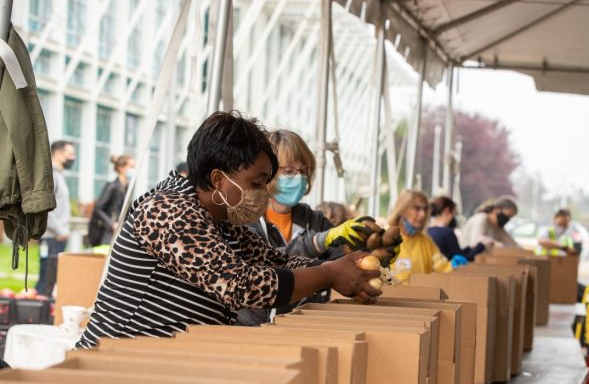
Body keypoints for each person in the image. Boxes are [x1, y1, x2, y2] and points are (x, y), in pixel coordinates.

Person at [76, 111, 380, 349]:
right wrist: (328, 275)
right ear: (219, 179)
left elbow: (275, 262)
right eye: (257, 182)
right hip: (116, 366)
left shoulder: (222, 224)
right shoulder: (168, 211)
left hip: (163, 369)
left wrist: (337, 266)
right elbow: (240, 285)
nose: (264, 192)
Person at [238, 129, 376, 325]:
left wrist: (374, 256)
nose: (298, 177)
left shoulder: (315, 220)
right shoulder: (247, 219)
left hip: (305, 326)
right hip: (253, 329)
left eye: (303, 171)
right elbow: (269, 262)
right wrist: (317, 242)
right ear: (267, 173)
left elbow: (343, 264)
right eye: (288, 171)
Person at [37, 140, 76, 296]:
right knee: (46, 280)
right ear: (58, 154)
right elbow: (46, 208)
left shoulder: (59, 175)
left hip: (57, 237)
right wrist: (60, 230)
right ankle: (37, 313)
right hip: (52, 237)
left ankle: (43, 311)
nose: (73, 158)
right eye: (70, 154)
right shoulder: (51, 175)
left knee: (50, 280)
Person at [390, 190, 453, 284]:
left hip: (421, 297)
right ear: (402, 210)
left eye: (425, 209)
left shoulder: (426, 241)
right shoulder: (386, 238)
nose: (422, 214)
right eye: (417, 208)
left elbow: (443, 267)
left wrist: (455, 267)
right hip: (390, 297)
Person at [88, 155, 135, 247]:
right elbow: (98, 208)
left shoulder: (127, 188)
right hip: (107, 234)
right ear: (121, 168)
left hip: (120, 232)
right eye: (132, 167)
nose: (134, 170)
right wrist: (112, 224)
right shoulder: (112, 186)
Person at [428, 196, 485, 263]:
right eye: (454, 214)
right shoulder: (447, 233)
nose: (453, 218)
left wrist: (470, 248)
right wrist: (480, 246)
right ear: (447, 211)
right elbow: (462, 259)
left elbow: (455, 252)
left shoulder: (427, 230)